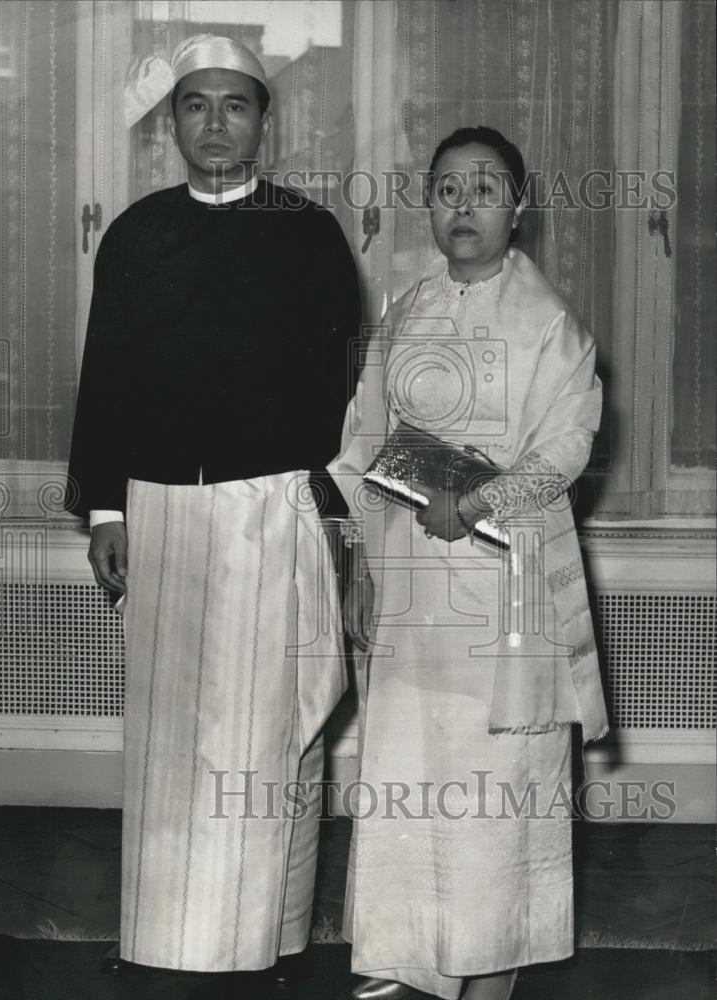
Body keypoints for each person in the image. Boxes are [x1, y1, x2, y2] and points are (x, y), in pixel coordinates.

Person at [64, 34, 360, 989]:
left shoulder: (307, 234)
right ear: (173, 122)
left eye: (235, 105)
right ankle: (167, 941)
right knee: (170, 744)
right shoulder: (137, 234)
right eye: (197, 105)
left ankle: (259, 946)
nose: (216, 123)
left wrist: (325, 514)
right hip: (159, 517)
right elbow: (104, 378)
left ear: (263, 120)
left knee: (264, 741)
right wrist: (107, 510)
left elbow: (341, 393)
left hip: (265, 513)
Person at [329, 126, 608, 1000]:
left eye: (483, 190)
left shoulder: (551, 326)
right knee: (407, 775)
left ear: (516, 208)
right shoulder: (406, 311)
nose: (463, 207)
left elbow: (565, 447)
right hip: (411, 592)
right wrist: (360, 565)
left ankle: (490, 970)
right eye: (447, 190)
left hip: (503, 586)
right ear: (429, 203)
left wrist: (479, 503)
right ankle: (408, 966)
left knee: (495, 789)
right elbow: (364, 442)